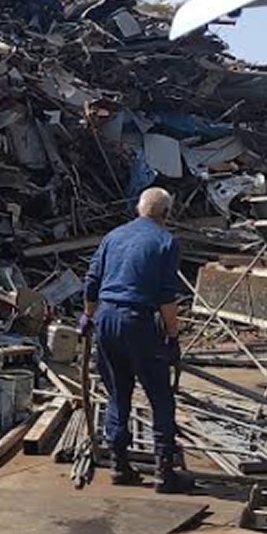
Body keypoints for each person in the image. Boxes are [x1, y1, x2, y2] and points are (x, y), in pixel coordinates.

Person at [79, 187, 193, 494]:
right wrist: (173, 336)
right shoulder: (166, 242)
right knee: (160, 397)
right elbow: (166, 298)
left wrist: (88, 316)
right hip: (138, 321)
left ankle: (119, 464)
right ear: (166, 214)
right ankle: (164, 472)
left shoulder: (113, 237)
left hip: (106, 319)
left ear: (138, 209)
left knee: (118, 393)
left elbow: (91, 281)